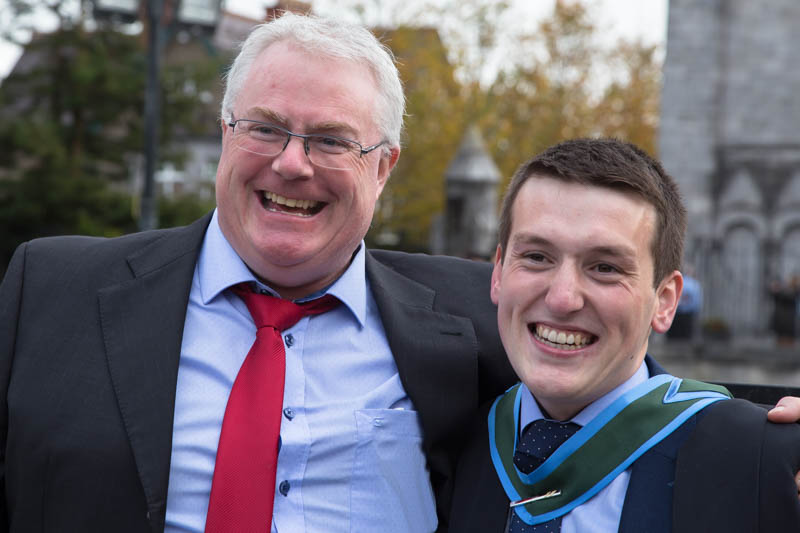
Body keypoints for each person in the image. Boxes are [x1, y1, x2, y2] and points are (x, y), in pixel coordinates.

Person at [0, 14, 799, 533]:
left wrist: (765, 440)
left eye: (332, 141)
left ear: (384, 168)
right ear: (224, 132)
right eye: (265, 128)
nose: (291, 162)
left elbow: (604, 374)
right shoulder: (49, 290)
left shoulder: (463, 323)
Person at [448, 139, 800, 533]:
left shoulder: (758, 461)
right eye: (536, 257)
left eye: (604, 267)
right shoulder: (448, 438)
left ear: (665, 302)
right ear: (497, 274)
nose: (563, 298)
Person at [665, 264, 701, 340]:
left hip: (676, 312)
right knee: (685, 338)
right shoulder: (695, 284)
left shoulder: (677, 282)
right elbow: (696, 302)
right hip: (687, 314)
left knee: (674, 337)